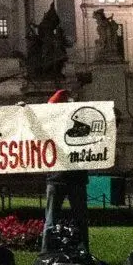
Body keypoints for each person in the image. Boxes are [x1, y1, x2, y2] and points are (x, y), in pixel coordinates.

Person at [41, 88, 89, 251]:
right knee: (77, 219)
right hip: (71, 178)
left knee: (51, 220)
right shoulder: (80, 124)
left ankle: (45, 251)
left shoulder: (51, 124)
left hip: (59, 178)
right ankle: (84, 251)